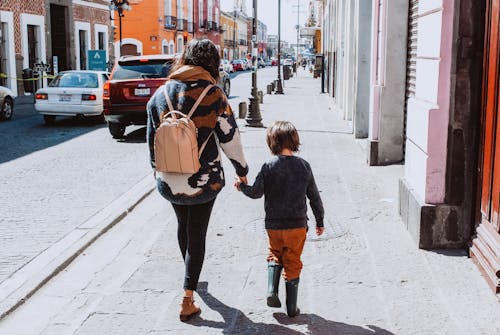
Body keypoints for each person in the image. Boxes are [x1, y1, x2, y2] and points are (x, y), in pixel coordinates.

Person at [146, 39, 248, 322]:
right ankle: (187, 297)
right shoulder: (214, 94)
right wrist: (242, 169)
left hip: (170, 178)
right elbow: (230, 138)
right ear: (212, 64)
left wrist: (157, 171)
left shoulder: (160, 93)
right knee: (198, 233)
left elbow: (152, 140)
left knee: (183, 226)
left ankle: (191, 277)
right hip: (204, 180)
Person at [234, 121, 324, 317]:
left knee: (275, 254)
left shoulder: (268, 166)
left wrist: (242, 187)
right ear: (294, 141)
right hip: (297, 225)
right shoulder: (304, 166)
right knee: (293, 260)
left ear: (272, 142)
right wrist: (320, 221)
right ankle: (292, 307)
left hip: (274, 225)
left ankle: (271, 290)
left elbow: (256, 193)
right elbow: (314, 196)